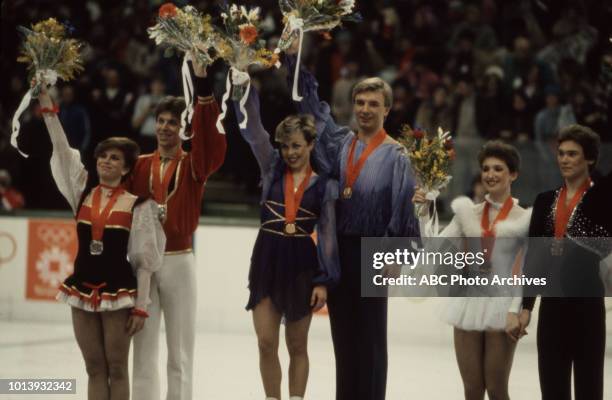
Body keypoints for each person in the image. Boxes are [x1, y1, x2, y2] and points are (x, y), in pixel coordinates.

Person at [285, 48, 420, 400]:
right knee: (343, 339)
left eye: (373, 104)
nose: (364, 109)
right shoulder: (341, 142)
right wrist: (294, 61)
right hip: (340, 251)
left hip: (375, 250)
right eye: (360, 102)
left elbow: (404, 206)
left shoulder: (398, 155)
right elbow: (313, 110)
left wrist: (394, 255)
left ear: (387, 110)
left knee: (371, 340)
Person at [37, 83, 165, 400]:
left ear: (125, 168)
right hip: (81, 285)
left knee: (117, 368)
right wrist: (48, 110)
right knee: (94, 368)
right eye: (103, 156)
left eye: (115, 158)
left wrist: (141, 308)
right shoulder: (81, 192)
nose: (106, 161)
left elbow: (143, 261)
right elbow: (62, 152)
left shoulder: (139, 206)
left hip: (118, 291)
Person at [127, 59, 226, 400]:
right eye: (162, 121)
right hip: (142, 265)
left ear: (184, 128)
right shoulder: (138, 166)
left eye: (173, 122)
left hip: (179, 260)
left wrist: (202, 84)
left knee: (180, 353)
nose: (166, 127)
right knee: (142, 351)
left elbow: (212, 141)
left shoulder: (195, 165)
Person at [233, 87, 340, 400]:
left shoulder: (325, 186)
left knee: (297, 345)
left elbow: (329, 236)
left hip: (300, 263)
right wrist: (244, 90)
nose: (289, 152)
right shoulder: (271, 169)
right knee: (266, 342)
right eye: (284, 146)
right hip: (267, 255)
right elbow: (253, 132)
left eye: (296, 146)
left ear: (310, 144)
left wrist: (323, 281)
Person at [413, 141, 531, 400]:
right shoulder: (468, 213)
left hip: (502, 304)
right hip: (468, 300)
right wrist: (423, 211)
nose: (490, 174)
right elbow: (434, 247)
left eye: (498, 169)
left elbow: (526, 271)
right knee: (472, 390)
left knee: (497, 390)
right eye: (486, 169)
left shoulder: (524, 218)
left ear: (513, 174)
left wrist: (517, 310)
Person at [519, 124, 607, 400]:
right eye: (561, 153)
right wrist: (526, 306)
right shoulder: (545, 202)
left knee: (589, 390)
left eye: (573, 154)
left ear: (590, 159)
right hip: (552, 307)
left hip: (588, 306)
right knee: (552, 390)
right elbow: (533, 258)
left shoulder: (603, 199)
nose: (565, 159)